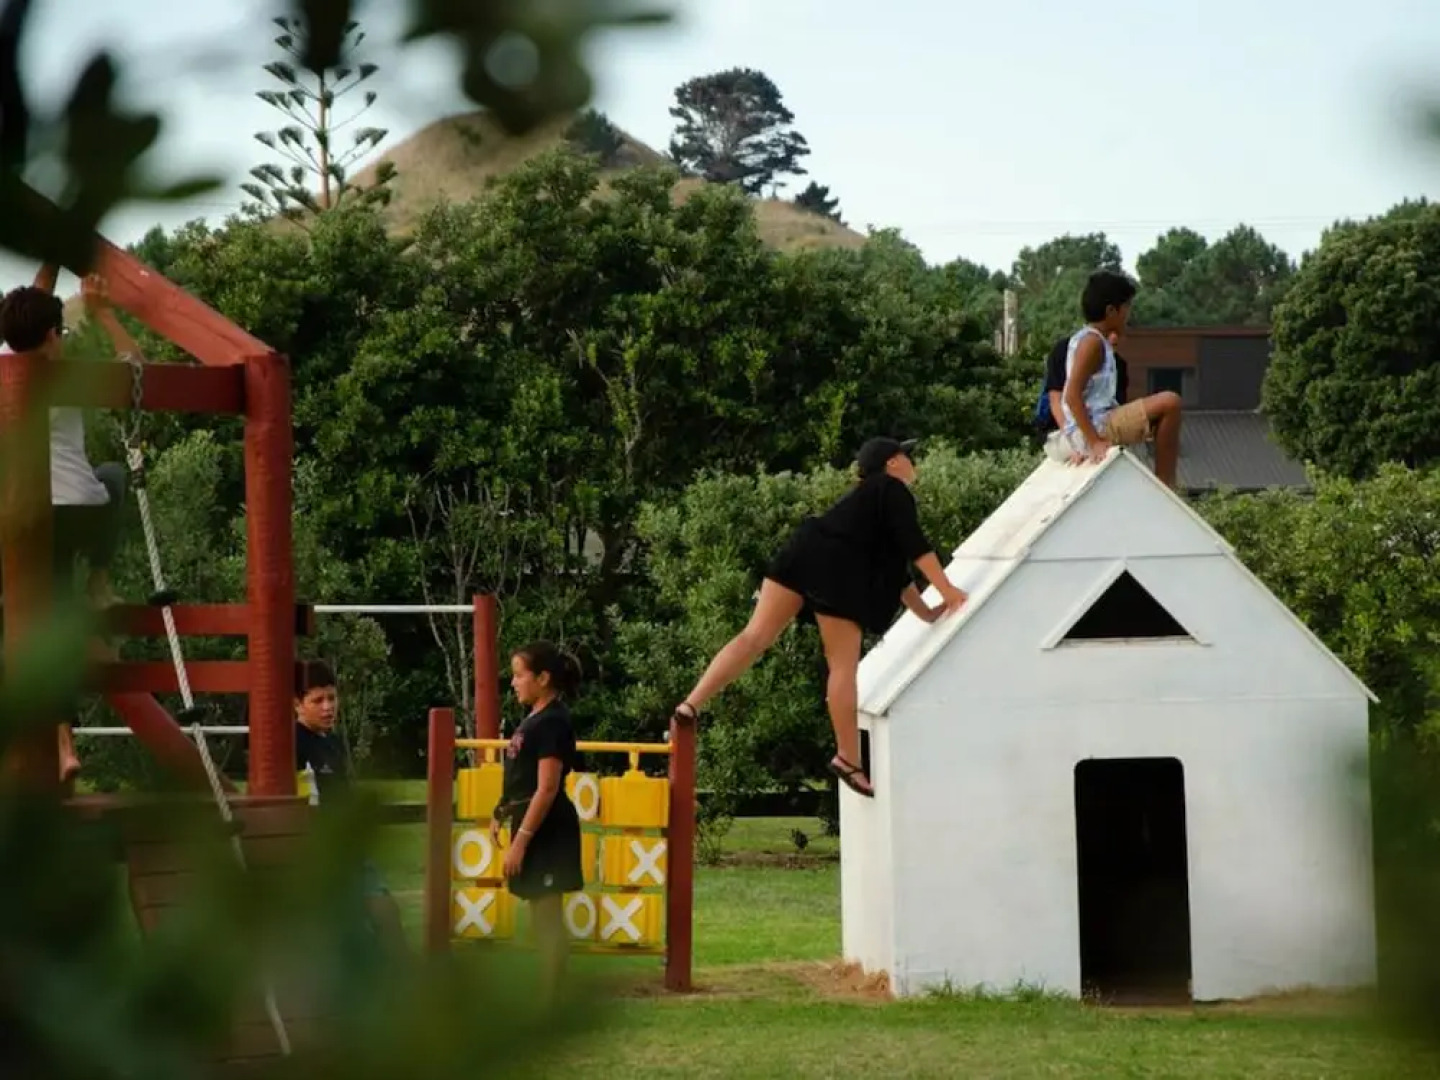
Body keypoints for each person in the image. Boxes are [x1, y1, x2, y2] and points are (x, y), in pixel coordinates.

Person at [669, 437, 969, 799]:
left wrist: (926, 612)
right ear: (892, 463)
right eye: (909, 456)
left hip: (804, 549)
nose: (913, 463)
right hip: (836, 567)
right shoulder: (892, 490)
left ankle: (691, 704)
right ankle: (848, 758)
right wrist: (949, 591)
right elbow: (915, 545)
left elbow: (896, 570)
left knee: (754, 637)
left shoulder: (862, 501)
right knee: (842, 665)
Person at [0, 267, 132, 785]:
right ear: (55, 335)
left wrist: (48, 270)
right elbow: (134, 369)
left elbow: (30, 317)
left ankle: (62, 745)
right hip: (81, 513)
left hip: (27, 525)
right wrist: (102, 313)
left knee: (37, 628)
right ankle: (99, 581)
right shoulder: (70, 376)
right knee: (115, 475)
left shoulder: (5, 374)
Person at [293, 660, 408, 959]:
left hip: (350, 848)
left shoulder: (331, 743)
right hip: (323, 851)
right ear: (297, 704)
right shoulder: (293, 743)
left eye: (332, 698)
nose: (328, 707)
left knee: (385, 915)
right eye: (317, 700)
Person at [491, 641, 585, 1007]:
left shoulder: (554, 721)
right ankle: (549, 994)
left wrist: (522, 841)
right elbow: (521, 777)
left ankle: (551, 1001)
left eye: (519, 675)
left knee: (547, 915)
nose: (513, 683)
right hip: (527, 823)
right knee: (537, 911)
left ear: (543, 678)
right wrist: (500, 813)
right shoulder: (532, 719)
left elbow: (546, 788)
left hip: (548, 830)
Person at [1047, 270, 1183, 488]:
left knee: (1160, 416)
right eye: (1126, 307)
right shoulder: (1092, 343)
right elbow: (1071, 396)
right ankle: (1166, 486)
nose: (1128, 315)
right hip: (1096, 426)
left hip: (1095, 423)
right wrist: (1094, 443)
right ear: (1111, 311)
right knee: (1170, 402)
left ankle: (1162, 481)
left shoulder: (1092, 339)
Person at [1043, 330, 1129, 431]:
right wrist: (1068, 431)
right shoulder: (1064, 350)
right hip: (1066, 427)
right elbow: (1056, 398)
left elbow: (1116, 404)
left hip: (1100, 426)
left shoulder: (1118, 365)